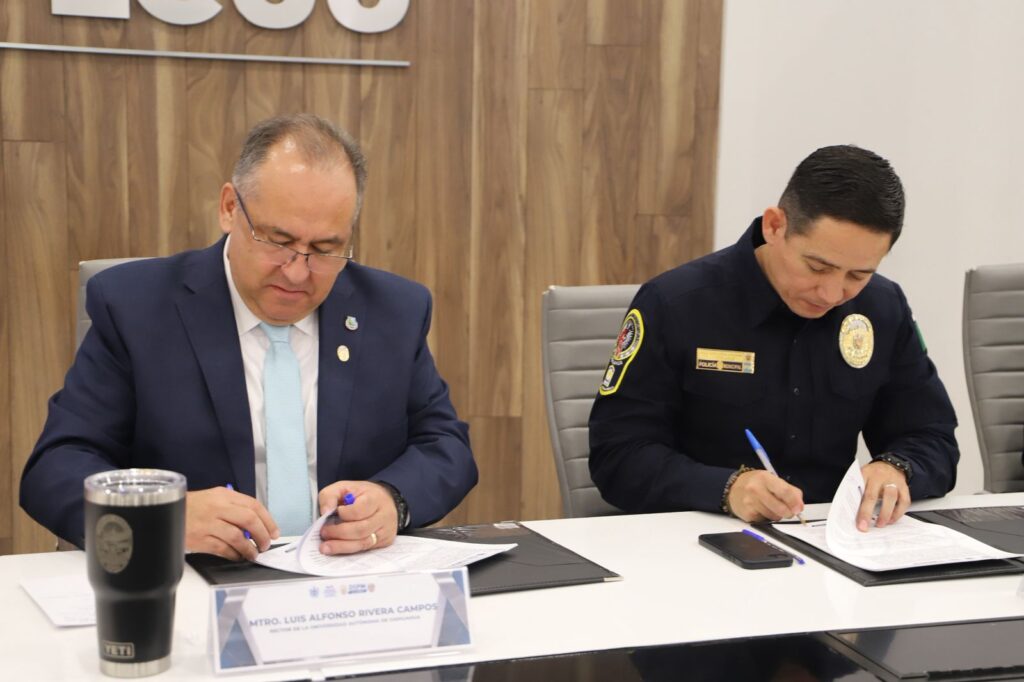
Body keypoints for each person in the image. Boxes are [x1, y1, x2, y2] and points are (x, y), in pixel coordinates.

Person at [21, 114, 477, 560]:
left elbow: (446, 446)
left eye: (325, 249)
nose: (297, 272)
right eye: (278, 241)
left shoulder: (393, 311)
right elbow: (56, 468)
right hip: (193, 584)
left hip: (347, 585)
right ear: (229, 208)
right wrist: (163, 516)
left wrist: (392, 499)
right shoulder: (136, 307)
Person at [589, 145, 958, 531]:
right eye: (817, 267)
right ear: (774, 225)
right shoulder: (676, 304)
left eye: (858, 275)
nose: (832, 294)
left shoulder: (881, 308)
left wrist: (897, 468)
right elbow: (618, 456)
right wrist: (725, 488)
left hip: (830, 540)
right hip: (697, 538)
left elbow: (932, 437)